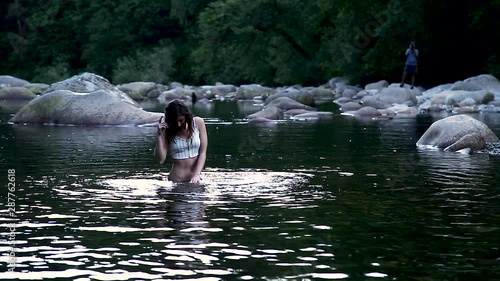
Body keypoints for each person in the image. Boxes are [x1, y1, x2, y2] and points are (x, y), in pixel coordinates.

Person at [155, 100, 208, 183]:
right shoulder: (167, 131)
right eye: (174, 122)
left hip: (197, 177)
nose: (178, 124)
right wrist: (159, 136)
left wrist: (197, 174)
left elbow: (203, 152)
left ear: (186, 116)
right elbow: (161, 160)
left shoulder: (198, 123)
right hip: (177, 179)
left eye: (181, 120)